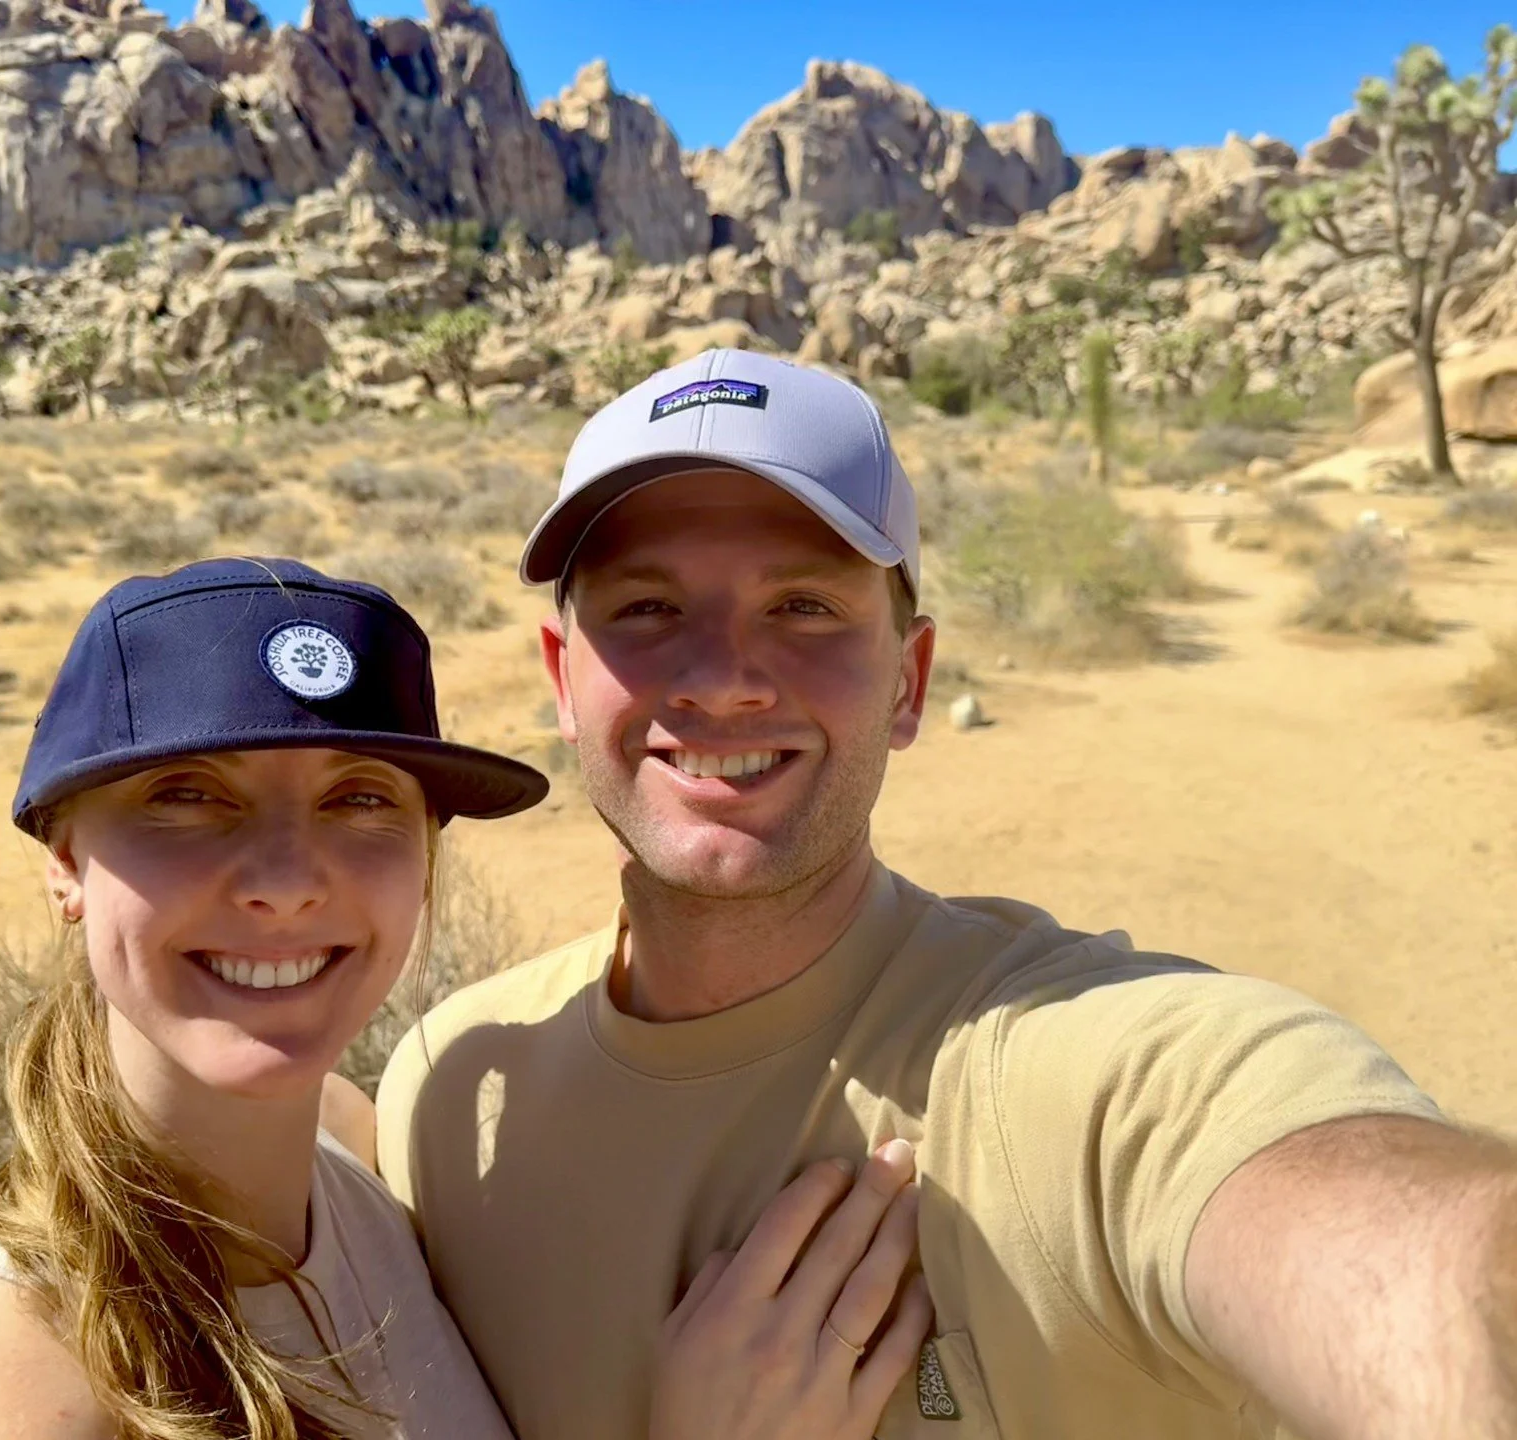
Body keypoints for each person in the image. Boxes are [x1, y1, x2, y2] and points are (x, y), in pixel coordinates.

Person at [376, 351, 1517, 1440]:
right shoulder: (451, 1095)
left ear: (910, 683)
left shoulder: (1083, 1083)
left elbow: (1418, 1268)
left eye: (804, 608)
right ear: (559, 681)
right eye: (647, 609)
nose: (721, 675)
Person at [0, 556, 933, 1440]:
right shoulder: (8, 1394)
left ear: (424, 860)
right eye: (188, 797)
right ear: (64, 861)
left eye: (359, 798)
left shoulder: (357, 1161)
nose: (287, 879)